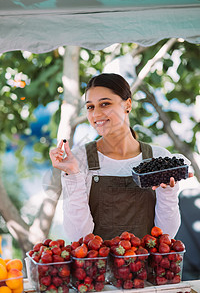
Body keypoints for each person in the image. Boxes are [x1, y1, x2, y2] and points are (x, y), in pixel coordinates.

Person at [49, 73, 189, 242]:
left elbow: (167, 235)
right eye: (90, 107)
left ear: (127, 105)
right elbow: (78, 237)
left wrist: (167, 191)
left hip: (146, 267)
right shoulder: (79, 159)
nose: (96, 114)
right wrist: (73, 174)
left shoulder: (158, 159)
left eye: (105, 104)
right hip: (96, 267)